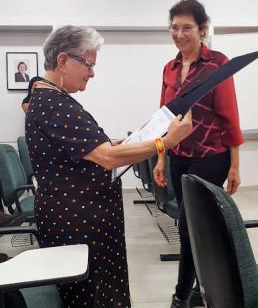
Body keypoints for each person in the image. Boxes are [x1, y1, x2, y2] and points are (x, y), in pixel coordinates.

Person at [25, 25, 192, 308]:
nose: (92, 72)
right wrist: (166, 142)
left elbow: (90, 151)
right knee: (89, 297)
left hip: (79, 219)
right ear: (63, 60)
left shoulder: (48, 98)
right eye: (88, 64)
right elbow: (107, 158)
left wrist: (118, 143)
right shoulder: (54, 104)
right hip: (77, 224)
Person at [153, 0, 244, 308]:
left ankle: (181, 293)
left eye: (187, 27)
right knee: (188, 224)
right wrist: (162, 156)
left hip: (212, 156)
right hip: (179, 155)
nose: (180, 34)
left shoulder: (218, 63)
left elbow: (229, 115)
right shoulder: (170, 68)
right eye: (174, 28)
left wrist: (234, 165)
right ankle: (196, 292)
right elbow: (164, 115)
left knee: (193, 225)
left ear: (202, 29)